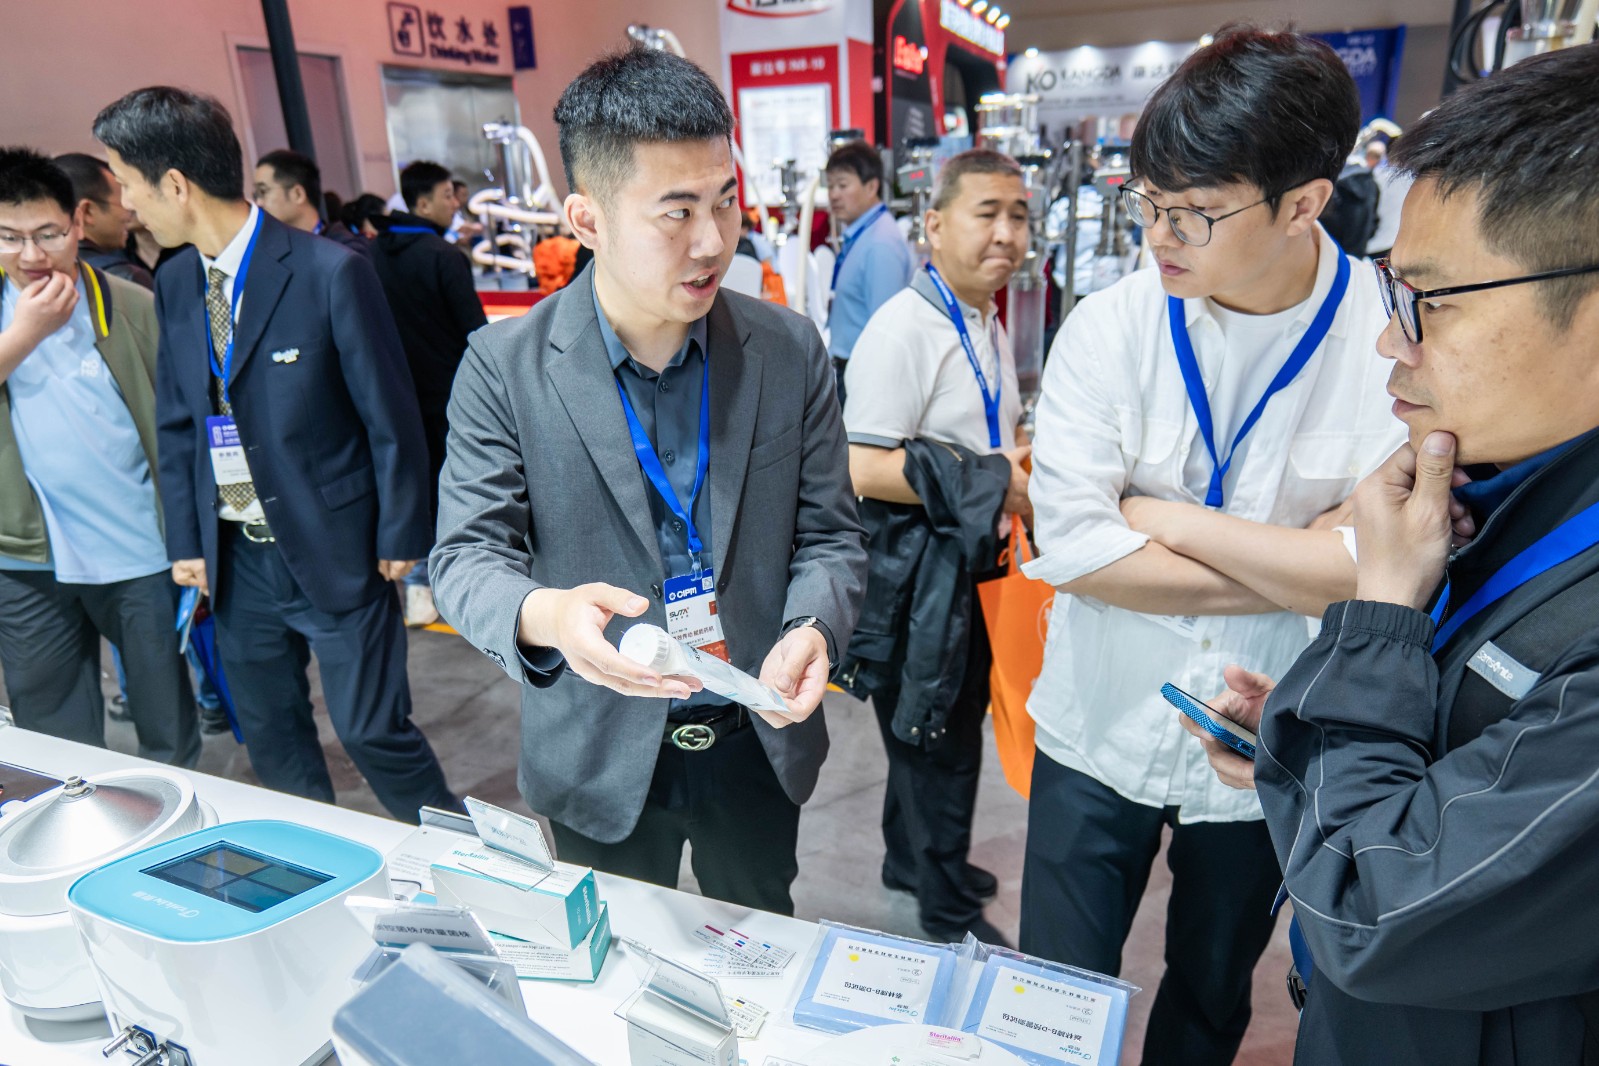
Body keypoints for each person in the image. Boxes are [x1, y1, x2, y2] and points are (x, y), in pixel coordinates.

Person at [1187, 44, 1599, 1066]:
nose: (1393, 342)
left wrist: (1378, 618)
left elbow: (1375, 904)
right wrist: (1305, 738)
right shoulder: (1506, 494)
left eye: (1433, 302)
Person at [1019, 27, 1403, 1064]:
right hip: (1095, 722)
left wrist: (1166, 518)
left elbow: (1381, 573)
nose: (1160, 235)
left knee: (1211, 995)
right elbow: (1079, 551)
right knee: (1048, 997)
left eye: (1192, 212)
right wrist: (1300, 563)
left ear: (1303, 203)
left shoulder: (1386, 346)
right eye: (1146, 202)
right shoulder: (1109, 327)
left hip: (1265, 740)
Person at [430, 46, 867, 915]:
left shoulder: (785, 351)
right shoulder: (504, 366)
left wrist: (813, 624)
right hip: (598, 747)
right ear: (586, 219)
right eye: (676, 212)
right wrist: (548, 615)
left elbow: (830, 535)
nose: (712, 242)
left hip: (755, 732)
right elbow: (465, 557)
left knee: (759, 941)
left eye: (724, 201)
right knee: (616, 954)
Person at [93, 87, 456, 823]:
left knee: (373, 731)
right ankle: (316, 867)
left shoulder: (329, 271)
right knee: (272, 737)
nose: (126, 204)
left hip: (338, 544)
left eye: (127, 183)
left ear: (175, 184)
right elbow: (179, 421)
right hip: (236, 560)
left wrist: (401, 531)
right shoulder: (177, 280)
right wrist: (187, 541)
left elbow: (389, 413)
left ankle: (464, 857)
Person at [840, 148, 1032, 944]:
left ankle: (909, 863)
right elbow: (860, 467)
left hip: (968, 557)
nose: (1006, 233)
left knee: (927, 729)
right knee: (938, 739)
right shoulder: (904, 328)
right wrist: (990, 479)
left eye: (1018, 215)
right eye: (986, 213)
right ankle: (945, 906)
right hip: (920, 574)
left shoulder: (982, 316)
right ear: (934, 225)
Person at [0, 147, 197, 765]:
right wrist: (23, 336)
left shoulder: (133, 305)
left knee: (166, 724)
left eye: (48, 233)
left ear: (78, 222)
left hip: (139, 551)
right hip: (26, 558)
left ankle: (172, 817)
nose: (31, 255)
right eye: (9, 238)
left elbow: (185, 426)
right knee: (52, 735)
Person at [373, 160, 489, 626]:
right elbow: (476, 333)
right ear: (422, 203)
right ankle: (448, 587)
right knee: (455, 489)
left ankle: (419, 588)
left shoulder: (370, 254)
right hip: (448, 394)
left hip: (390, 395)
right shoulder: (443, 256)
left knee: (410, 486)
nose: (454, 203)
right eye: (446, 195)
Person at [824, 139, 913, 405]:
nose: (834, 195)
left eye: (843, 185)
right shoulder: (864, 235)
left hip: (864, 376)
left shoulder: (880, 244)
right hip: (851, 368)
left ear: (871, 186)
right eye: (830, 186)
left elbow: (885, 329)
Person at [54, 152, 154, 289]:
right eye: (121, 202)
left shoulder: (36, 272)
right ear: (87, 211)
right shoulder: (124, 277)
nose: (129, 208)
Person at [253, 149, 370, 259]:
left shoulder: (345, 252)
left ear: (298, 194)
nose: (258, 202)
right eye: (256, 195)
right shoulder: (275, 252)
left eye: (263, 191)